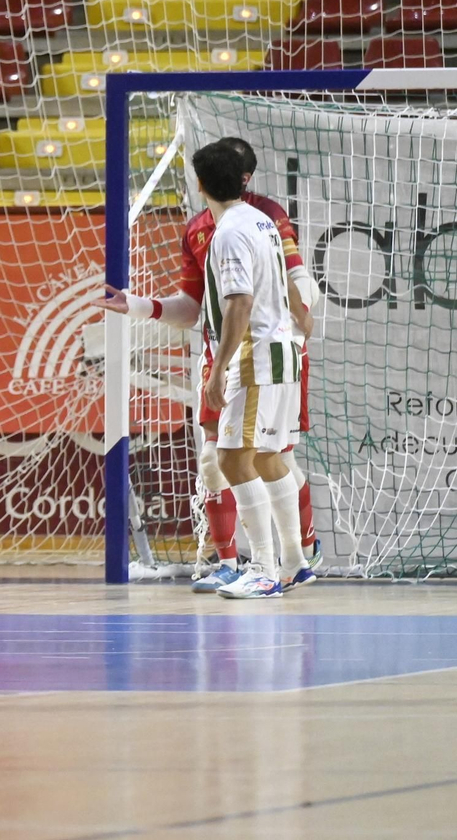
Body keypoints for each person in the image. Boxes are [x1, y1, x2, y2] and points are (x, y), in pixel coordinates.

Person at [96, 136, 320, 594]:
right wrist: (137, 305)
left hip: (252, 353)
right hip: (278, 351)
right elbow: (206, 304)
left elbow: (238, 303)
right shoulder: (260, 221)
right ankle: (294, 562)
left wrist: (217, 371)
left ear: (199, 184)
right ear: (241, 179)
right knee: (266, 458)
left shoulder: (229, 233)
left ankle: (260, 569)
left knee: (231, 460)